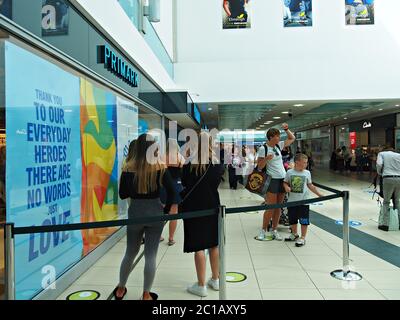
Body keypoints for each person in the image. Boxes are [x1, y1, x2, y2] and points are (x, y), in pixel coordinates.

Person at [114, 134, 177, 300]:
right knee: (151, 255)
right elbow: (172, 192)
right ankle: (146, 293)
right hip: (155, 214)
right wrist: (166, 210)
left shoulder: (128, 168)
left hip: (135, 214)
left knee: (130, 252)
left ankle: (120, 289)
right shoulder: (160, 167)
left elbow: (122, 194)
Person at [180, 131, 222, 297]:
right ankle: (216, 279)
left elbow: (184, 183)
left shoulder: (190, 163)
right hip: (212, 206)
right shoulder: (217, 163)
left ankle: (201, 285)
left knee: (199, 245)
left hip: (193, 208)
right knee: (213, 243)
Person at [256, 123, 296, 241]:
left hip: (282, 179)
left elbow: (292, 138)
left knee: (279, 207)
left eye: (279, 136)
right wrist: (266, 159)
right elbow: (259, 166)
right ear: (270, 137)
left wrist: (287, 129)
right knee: (271, 207)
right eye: (276, 136)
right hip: (271, 179)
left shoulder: (278, 145)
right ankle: (263, 230)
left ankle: (274, 230)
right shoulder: (263, 148)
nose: (279, 138)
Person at [283, 153, 323, 246]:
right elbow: (285, 182)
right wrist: (286, 187)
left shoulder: (307, 173)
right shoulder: (289, 172)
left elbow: (310, 185)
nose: (306, 164)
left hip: (304, 201)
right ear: (297, 162)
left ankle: (303, 237)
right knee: (292, 219)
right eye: (304, 163)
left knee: (304, 220)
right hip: (292, 201)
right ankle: (294, 234)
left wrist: (319, 194)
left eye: (306, 163)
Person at [160, 138, 186, 246]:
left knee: (161, 212)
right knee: (174, 214)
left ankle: (158, 235)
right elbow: (184, 172)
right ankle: (171, 238)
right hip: (176, 186)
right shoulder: (180, 157)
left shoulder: (162, 157)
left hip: (164, 187)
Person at [376, 146, 400, 231]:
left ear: (385, 150)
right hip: (399, 178)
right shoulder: (398, 155)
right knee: (397, 200)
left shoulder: (381, 154)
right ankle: (399, 223)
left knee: (386, 201)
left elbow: (379, 164)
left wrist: (380, 172)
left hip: (388, 178)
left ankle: (385, 224)